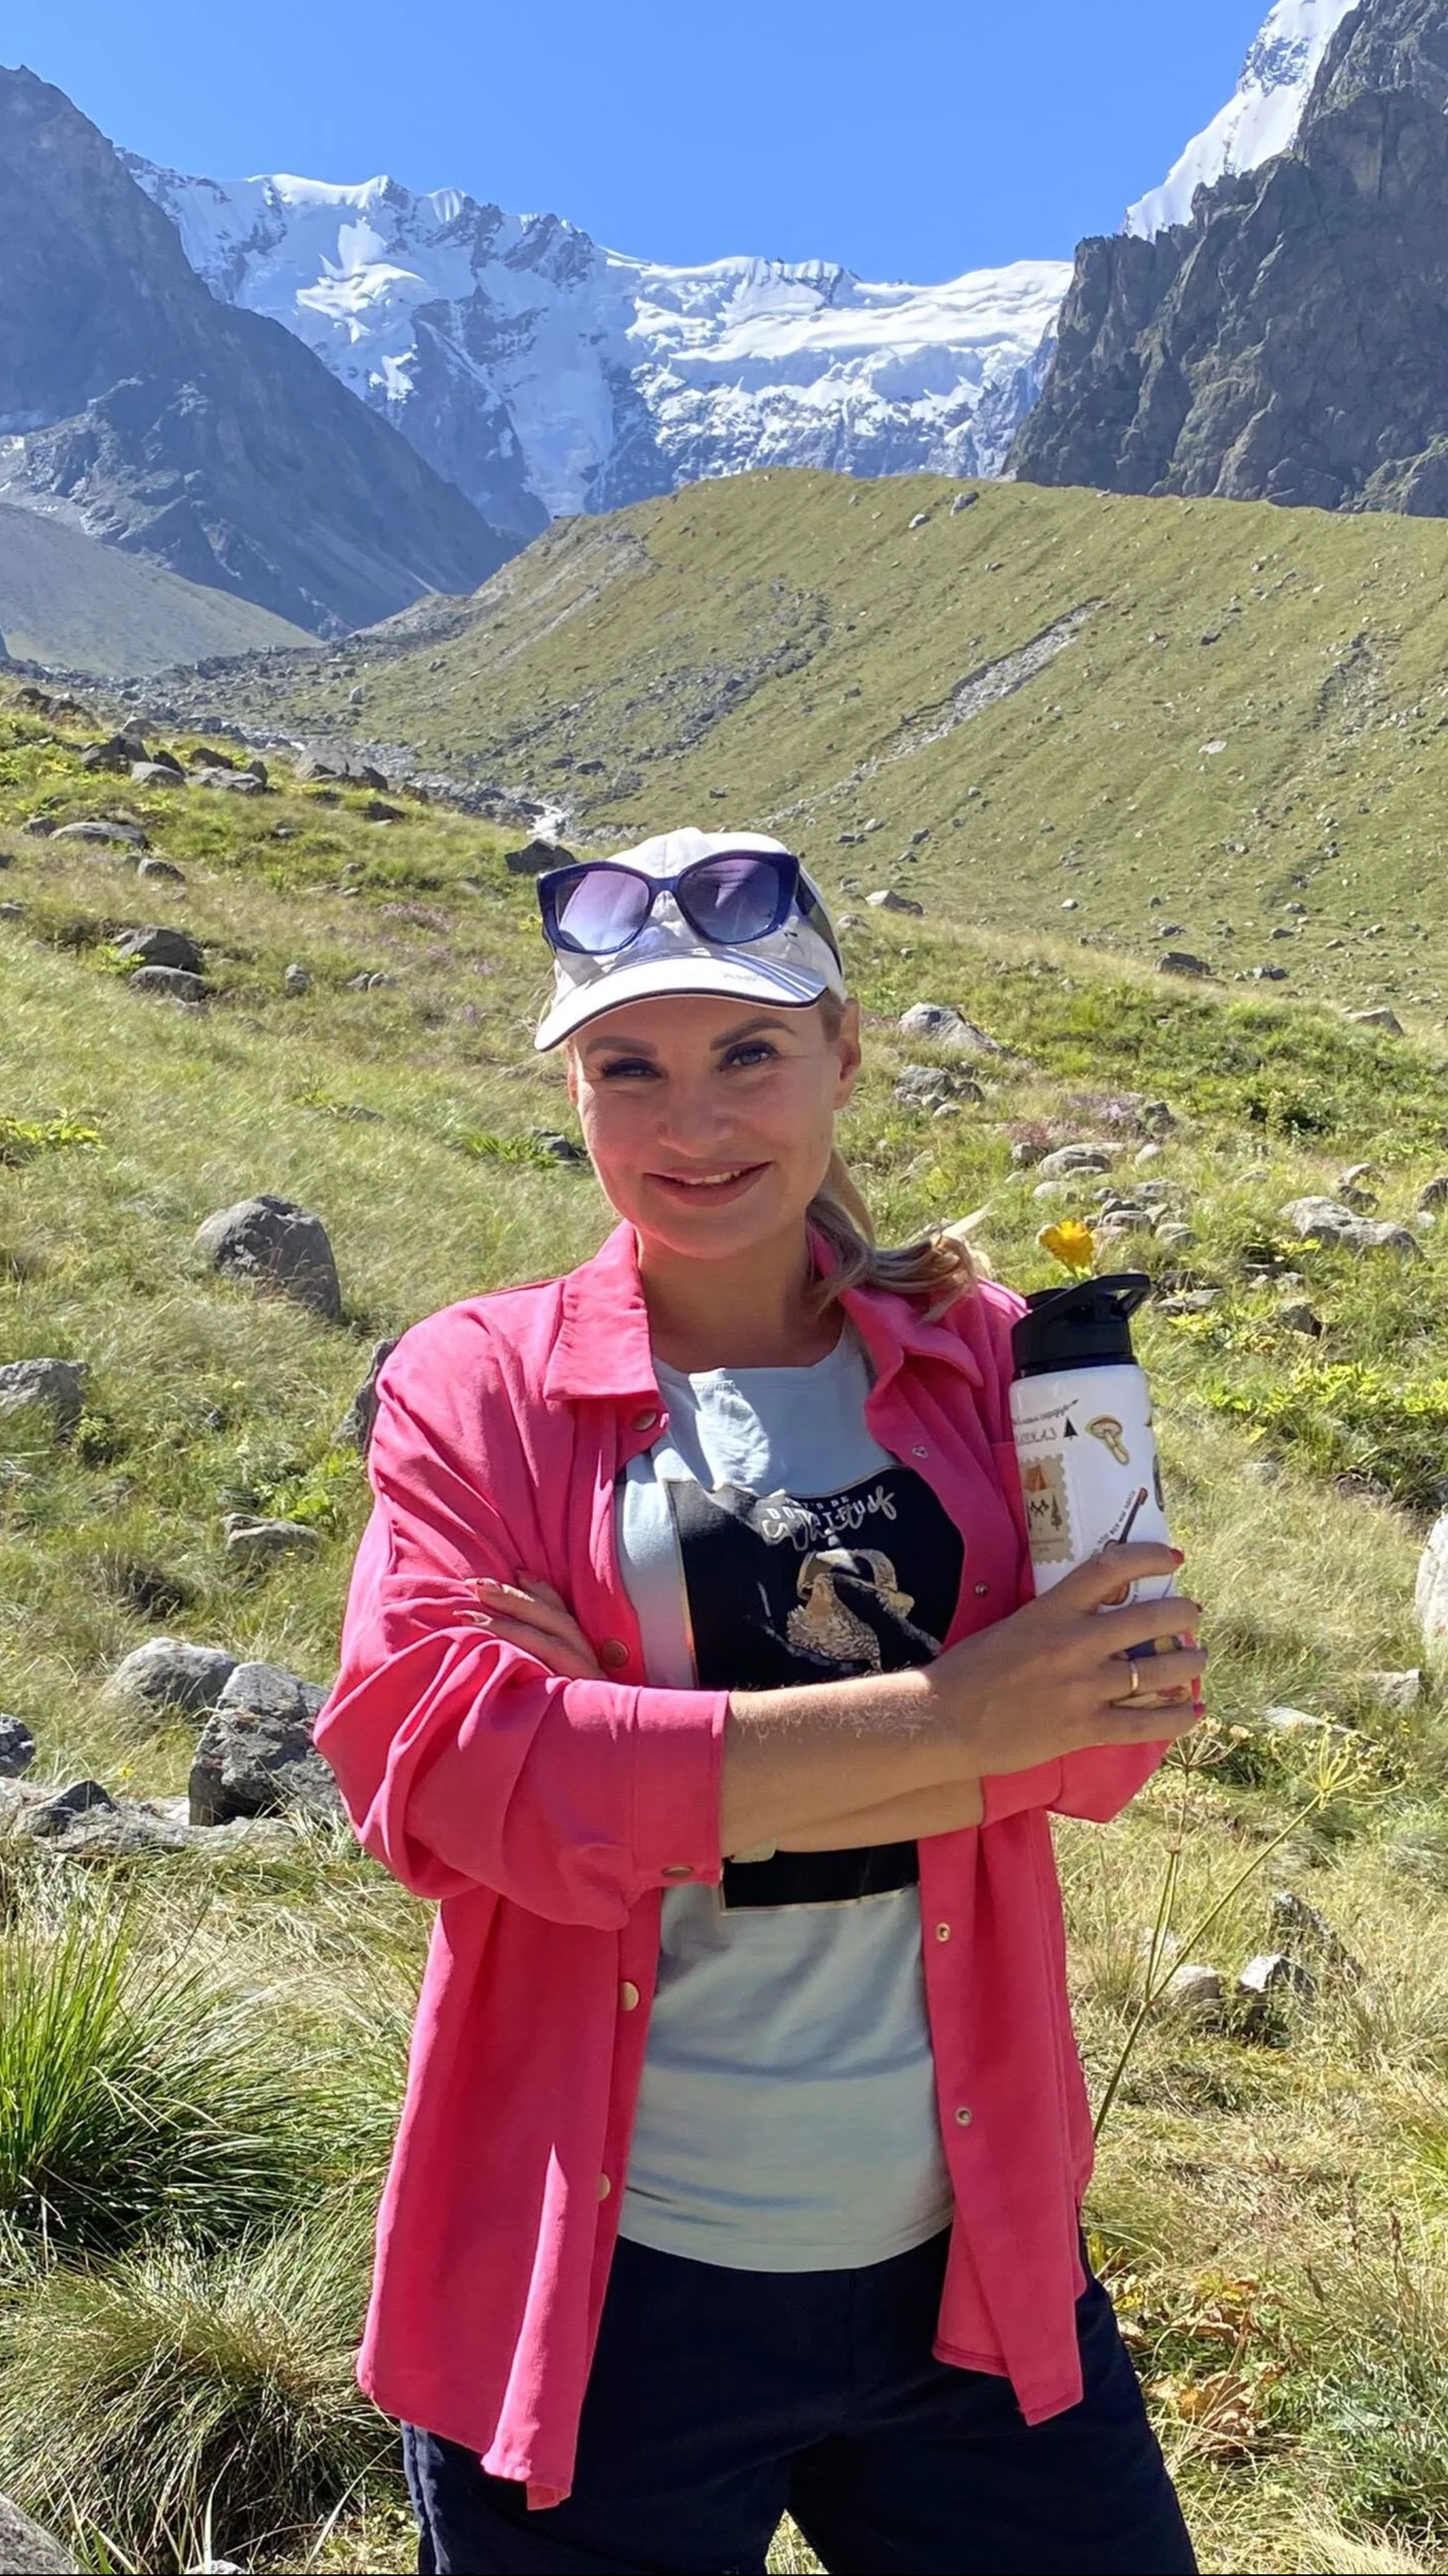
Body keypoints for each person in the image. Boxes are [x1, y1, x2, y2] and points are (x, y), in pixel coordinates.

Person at [318, 827, 1206, 2576]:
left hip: (972, 2267)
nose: (694, 1122)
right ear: (573, 1091)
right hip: (605, 2292)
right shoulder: (479, 1384)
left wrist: (629, 1751)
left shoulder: (982, 1359)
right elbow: (444, 1788)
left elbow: (1118, 1725)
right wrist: (962, 1723)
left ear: (843, 1056)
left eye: (748, 1054)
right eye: (627, 1068)